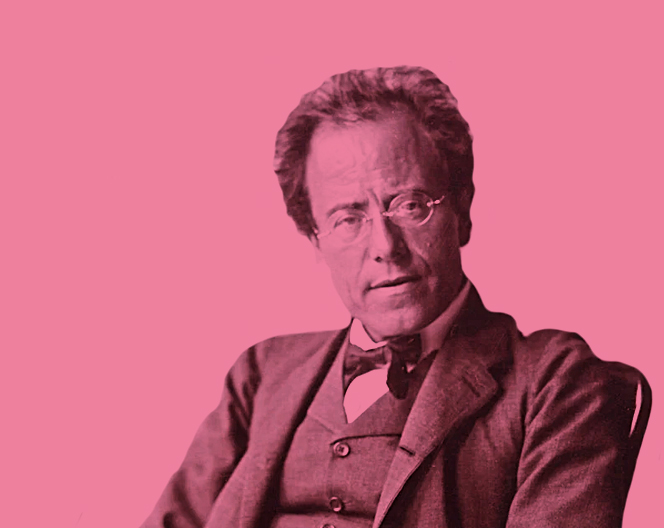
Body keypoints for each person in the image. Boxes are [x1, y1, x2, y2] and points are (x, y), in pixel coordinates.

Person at [140, 66, 650, 528]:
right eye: (348, 219)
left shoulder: (557, 382)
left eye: (410, 205)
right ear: (316, 240)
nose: (385, 247)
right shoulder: (262, 373)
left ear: (463, 210)